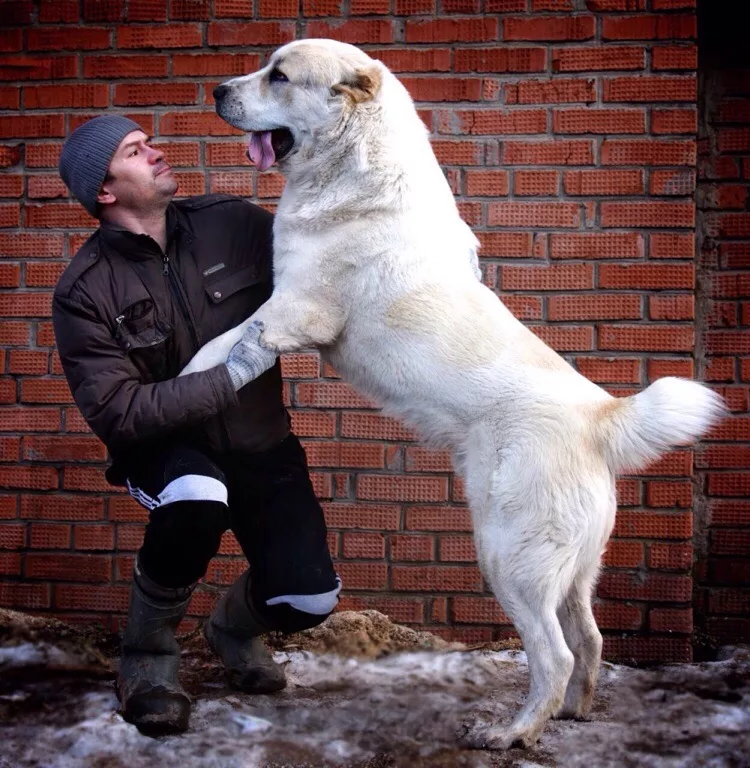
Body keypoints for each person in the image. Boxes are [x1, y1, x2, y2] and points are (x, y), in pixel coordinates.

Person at [53, 115, 341, 735]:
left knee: (308, 599)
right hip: (165, 449)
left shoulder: (233, 224)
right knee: (195, 497)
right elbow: (118, 411)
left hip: (262, 443)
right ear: (104, 190)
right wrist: (227, 378)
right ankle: (148, 658)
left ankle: (233, 629)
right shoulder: (86, 290)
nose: (156, 153)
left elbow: (323, 264)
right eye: (135, 151)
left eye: (149, 141)